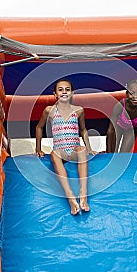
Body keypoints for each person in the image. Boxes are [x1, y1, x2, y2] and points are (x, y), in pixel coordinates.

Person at [35, 78, 97, 215]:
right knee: (54, 153)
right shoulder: (49, 111)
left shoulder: (78, 110)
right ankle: (70, 196)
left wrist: (89, 147)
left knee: (82, 150)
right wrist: (38, 148)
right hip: (61, 151)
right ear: (55, 94)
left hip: (74, 150)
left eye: (67, 90)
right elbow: (39, 127)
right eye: (61, 90)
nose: (64, 92)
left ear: (72, 93)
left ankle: (83, 193)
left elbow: (83, 130)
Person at [106, 79, 137, 153]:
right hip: (117, 129)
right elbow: (110, 130)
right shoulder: (120, 105)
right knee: (113, 153)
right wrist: (108, 153)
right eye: (132, 93)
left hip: (131, 131)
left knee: (124, 154)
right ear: (127, 93)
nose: (135, 96)